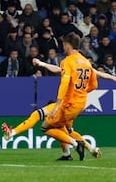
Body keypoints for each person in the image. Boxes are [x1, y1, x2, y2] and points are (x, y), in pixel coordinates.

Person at [2, 56, 116, 160]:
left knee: (39, 117)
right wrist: (115, 78)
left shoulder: (72, 66)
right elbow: (100, 74)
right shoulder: (87, 68)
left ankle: (13, 132)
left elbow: (57, 70)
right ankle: (81, 150)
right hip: (76, 105)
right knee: (65, 130)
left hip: (65, 103)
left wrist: (42, 63)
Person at [42, 32, 98, 161]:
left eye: (64, 44)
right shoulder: (86, 61)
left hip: (69, 103)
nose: (63, 47)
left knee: (45, 127)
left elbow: (64, 83)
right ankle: (68, 154)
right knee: (66, 127)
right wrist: (81, 92)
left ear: (68, 46)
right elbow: (94, 85)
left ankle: (76, 144)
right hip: (81, 103)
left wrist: (57, 105)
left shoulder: (67, 61)